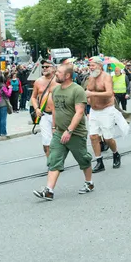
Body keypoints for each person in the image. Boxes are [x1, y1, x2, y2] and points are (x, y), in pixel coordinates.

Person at [33, 64, 93, 201]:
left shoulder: (77, 90)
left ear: (67, 76)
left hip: (76, 133)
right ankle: (49, 190)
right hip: (60, 132)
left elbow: (79, 112)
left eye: (59, 72)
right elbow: (55, 110)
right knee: (54, 159)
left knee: (83, 158)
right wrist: (54, 128)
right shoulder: (55, 90)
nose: (56, 74)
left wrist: (69, 130)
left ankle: (89, 183)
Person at [87, 56, 125, 173]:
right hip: (93, 110)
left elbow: (109, 93)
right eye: (90, 66)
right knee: (93, 136)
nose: (91, 68)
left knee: (108, 138)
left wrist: (91, 93)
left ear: (100, 66)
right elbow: (88, 92)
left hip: (106, 110)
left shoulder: (106, 77)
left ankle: (115, 153)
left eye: (93, 65)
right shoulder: (90, 78)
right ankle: (99, 162)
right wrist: (88, 102)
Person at [30, 60, 58, 159]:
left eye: (47, 66)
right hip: (44, 115)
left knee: (59, 140)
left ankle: (58, 160)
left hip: (58, 115)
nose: (44, 68)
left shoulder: (59, 80)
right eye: (43, 67)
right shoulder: (38, 81)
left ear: (54, 68)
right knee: (46, 140)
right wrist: (37, 108)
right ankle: (51, 162)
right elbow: (33, 97)